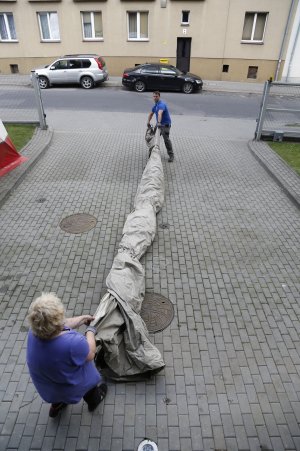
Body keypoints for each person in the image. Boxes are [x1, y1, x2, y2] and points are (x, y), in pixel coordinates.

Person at [26, 292, 107, 418]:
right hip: (68, 385)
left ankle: (56, 406)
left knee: (57, 387)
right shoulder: (73, 343)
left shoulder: (35, 330)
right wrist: (91, 331)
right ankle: (94, 400)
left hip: (47, 384)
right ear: (57, 322)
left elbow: (61, 324)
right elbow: (91, 354)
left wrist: (81, 319)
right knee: (88, 380)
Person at [147, 91, 174, 162]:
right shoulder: (155, 106)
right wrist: (148, 122)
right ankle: (152, 154)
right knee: (152, 137)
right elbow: (151, 114)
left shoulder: (161, 105)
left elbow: (160, 113)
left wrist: (158, 122)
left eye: (156, 96)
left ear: (159, 97)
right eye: (154, 96)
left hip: (165, 125)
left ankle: (171, 155)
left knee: (166, 140)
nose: (155, 98)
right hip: (159, 125)